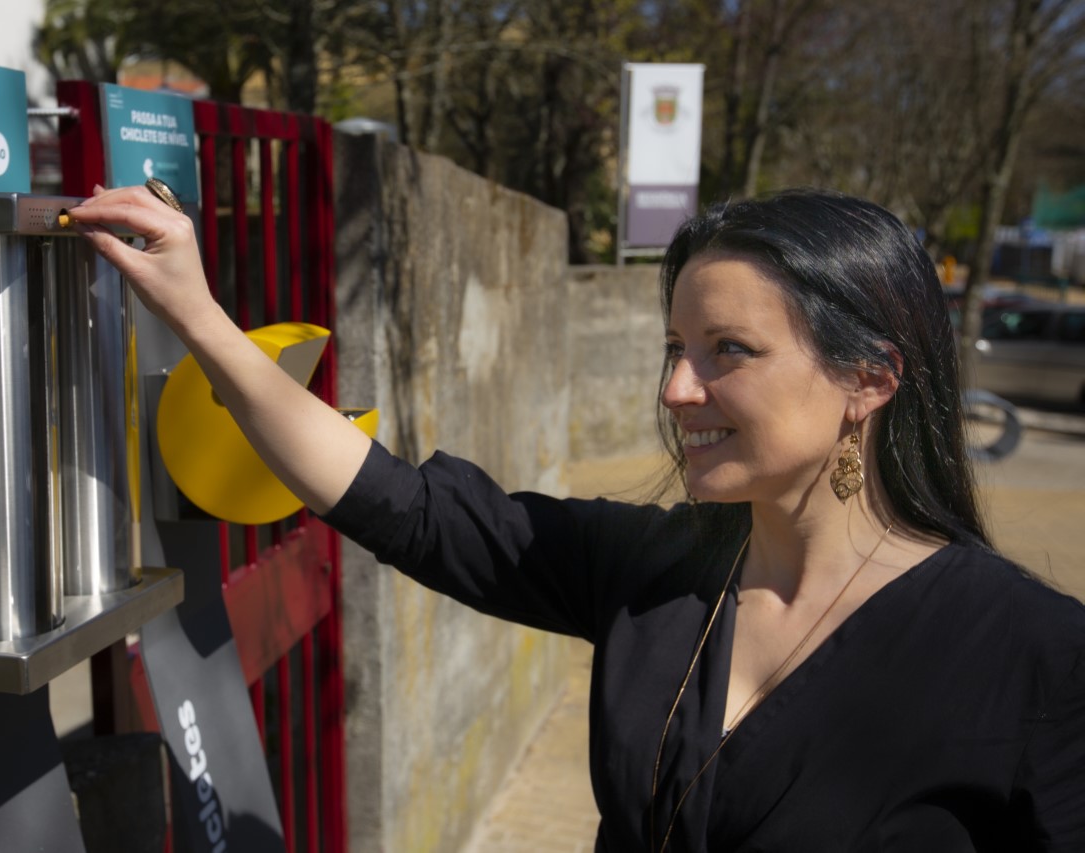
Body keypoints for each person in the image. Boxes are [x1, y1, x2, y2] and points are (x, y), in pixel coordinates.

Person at [71, 186, 1085, 851]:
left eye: (726, 349)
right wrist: (196, 313)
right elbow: (397, 502)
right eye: (671, 346)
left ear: (868, 377)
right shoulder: (655, 570)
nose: (677, 388)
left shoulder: (1032, 656)